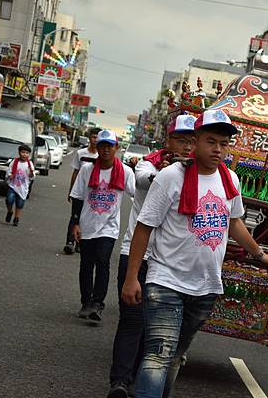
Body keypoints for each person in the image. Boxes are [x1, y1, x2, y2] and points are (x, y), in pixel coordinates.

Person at [121, 109, 268, 398]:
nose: (218, 149)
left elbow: (234, 223)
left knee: (175, 355)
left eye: (224, 144)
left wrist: (259, 254)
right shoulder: (170, 177)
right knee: (158, 353)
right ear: (195, 142)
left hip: (206, 286)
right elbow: (144, 227)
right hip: (165, 280)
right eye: (211, 141)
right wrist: (132, 277)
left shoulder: (230, 179)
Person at [107, 115, 196, 398]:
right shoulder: (150, 165)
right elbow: (144, 180)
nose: (186, 146)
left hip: (168, 263)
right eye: (181, 140)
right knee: (132, 320)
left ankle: (139, 379)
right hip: (136, 254)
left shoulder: (204, 176)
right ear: (169, 141)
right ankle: (120, 382)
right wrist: (172, 171)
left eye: (192, 141)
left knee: (155, 327)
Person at [70, 130, 135, 322]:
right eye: (102, 146)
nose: (106, 149)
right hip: (87, 224)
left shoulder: (125, 171)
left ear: (117, 148)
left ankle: (98, 304)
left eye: (110, 146)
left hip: (109, 227)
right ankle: (86, 302)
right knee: (86, 265)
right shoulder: (87, 170)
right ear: (97, 147)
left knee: (103, 262)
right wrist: (75, 223)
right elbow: (78, 197)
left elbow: (138, 193)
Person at [64, 127, 100, 254]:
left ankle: (81, 243)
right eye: (93, 137)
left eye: (97, 137)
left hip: (92, 193)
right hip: (79, 191)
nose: (95, 140)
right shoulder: (81, 153)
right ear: (89, 138)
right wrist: (71, 190)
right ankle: (70, 241)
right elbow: (75, 173)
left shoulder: (101, 156)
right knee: (75, 216)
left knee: (86, 218)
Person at [5, 145, 35, 226]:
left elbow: (32, 177)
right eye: (23, 152)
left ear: (29, 154)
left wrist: (32, 173)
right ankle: (10, 211)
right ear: (19, 153)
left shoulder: (29, 164)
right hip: (13, 185)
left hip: (23, 187)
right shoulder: (14, 162)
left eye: (27, 153)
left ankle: (16, 218)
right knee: (9, 200)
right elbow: (8, 171)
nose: (24, 154)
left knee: (20, 204)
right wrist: (10, 175)